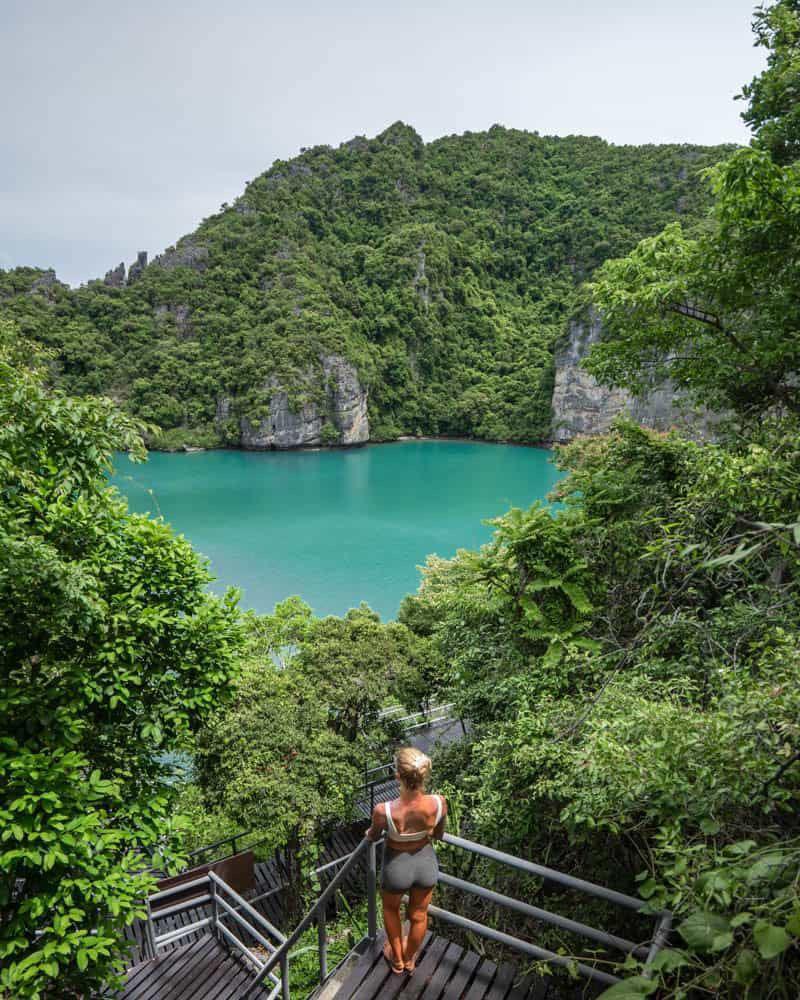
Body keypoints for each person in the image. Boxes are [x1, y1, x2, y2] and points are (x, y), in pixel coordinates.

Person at [365, 746, 448, 974]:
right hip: (425, 864)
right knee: (419, 915)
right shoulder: (439, 802)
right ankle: (411, 958)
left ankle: (398, 960)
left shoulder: (384, 810)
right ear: (424, 775)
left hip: (396, 866)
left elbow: (372, 835)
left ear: (397, 776)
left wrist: (371, 835)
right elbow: (438, 834)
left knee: (391, 910)